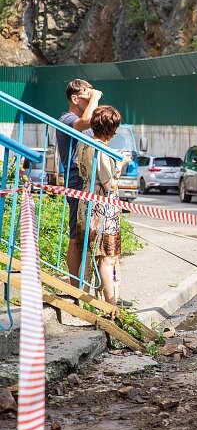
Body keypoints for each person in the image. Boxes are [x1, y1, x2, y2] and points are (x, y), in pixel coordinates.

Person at [75, 106, 129, 306]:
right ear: (111, 129)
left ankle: (83, 298)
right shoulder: (102, 150)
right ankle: (111, 306)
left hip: (86, 204)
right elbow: (110, 185)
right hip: (103, 210)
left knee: (89, 254)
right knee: (107, 258)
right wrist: (120, 164)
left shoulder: (84, 144)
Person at [56, 79, 102, 287]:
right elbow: (85, 121)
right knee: (76, 234)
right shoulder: (68, 119)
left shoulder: (86, 124)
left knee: (92, 235)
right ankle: (75, 288)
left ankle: (92, 287)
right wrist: (96, 98)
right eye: (88, 95)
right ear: (75, 98)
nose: (92, 99)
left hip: (90, 177)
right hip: (76, 178)